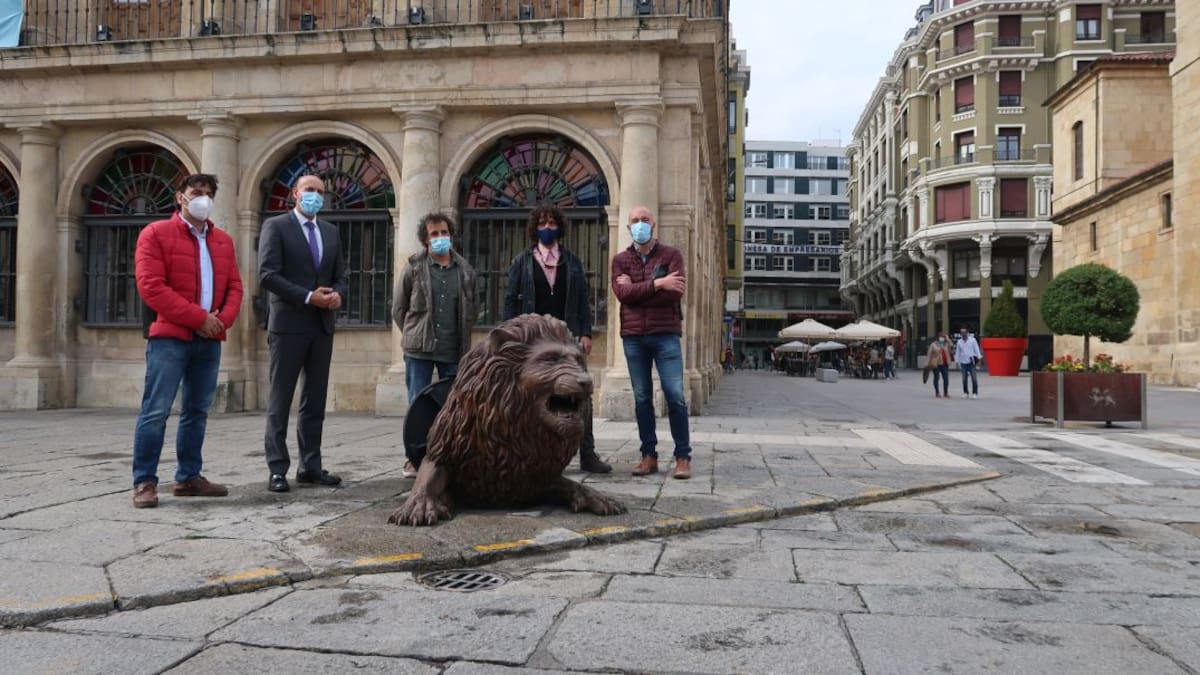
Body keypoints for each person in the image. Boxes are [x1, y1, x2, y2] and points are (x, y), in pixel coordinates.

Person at [130, 173, 243, 508]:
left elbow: (235, 287)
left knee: (197, 410)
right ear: (180, 197)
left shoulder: (222, 241)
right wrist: (199, 319)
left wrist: (221, 321)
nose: (203, 199)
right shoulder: (156, 234)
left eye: (209, 194)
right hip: (170, 338)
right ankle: (145, 482)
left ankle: (189, 476)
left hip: (209, 340)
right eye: (196, 193)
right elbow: (151, 286)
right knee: (156, 410)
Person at [258, 174, 349, 493]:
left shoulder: (330, 232)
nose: (315, 196)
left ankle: (310, 465)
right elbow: (267, 275)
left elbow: (341, 275)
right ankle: (277, 468)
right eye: (310, 190)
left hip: (322, 326)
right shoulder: (277, 226)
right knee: (280, 399)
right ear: (295, 194)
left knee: (315, 400)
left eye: (321, 192)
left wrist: (337, 294)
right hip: (288, 325)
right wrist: (309, 296)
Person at [503, 204, 608, 473]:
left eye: (551, 223)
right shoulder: (521, 262)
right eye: (542, 223)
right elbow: (510, 300)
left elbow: (583, 300)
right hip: (533, 340)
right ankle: (528, 453)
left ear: (559, 227)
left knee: (580, 394)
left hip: (567, 337)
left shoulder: (572, 262)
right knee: (529, 395)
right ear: (534, 228)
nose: (547, 228)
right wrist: (510, 334)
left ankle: (588, 453)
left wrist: (585, 332)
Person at [612, 205, 693, 479]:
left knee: (675, 395)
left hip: (666, 334)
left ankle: (683, 456)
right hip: (634, 338)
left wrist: (638, 289)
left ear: (654, 223)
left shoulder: (672, 255)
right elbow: (622, 294)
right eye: (634, 221)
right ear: (627, 227)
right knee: (642, 397)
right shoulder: (620, 260)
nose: (640, 224)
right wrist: (659, 284)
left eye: (644, 219)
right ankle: (648, 455)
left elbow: (675, 293)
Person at [395, 212, 478, 477]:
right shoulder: (414, 267)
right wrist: (414, 334)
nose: (440, 238)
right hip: (419, 349)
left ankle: (450, 455)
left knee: (453, 405)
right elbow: (399, 308)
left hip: (453, 348)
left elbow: (472, 309)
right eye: (434, 234)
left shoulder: (465, 271)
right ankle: (414, 458)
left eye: (444, 232)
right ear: (425, 240)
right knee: (417, 403)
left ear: (451, 236)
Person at [955, 325, 983, 399]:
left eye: (964, 332)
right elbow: (957, 352)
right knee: (964, 379)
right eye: (961, 332)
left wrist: (979, 360)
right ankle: (965, 392)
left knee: (974, 378)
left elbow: (977, 350)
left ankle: (975, 393)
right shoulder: (959, 342)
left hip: (971, 362)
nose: (963, 334)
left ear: (967, 332)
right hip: (963, 362)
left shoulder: (972, 340)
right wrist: (957, 362)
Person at [926, 333, 952, 398]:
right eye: (941, 337)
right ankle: (937, 392)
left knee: (946, 379)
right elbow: (929, 354)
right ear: (938, 337)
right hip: (936, 363)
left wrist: (948, 339)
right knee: (936, 378)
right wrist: (927, 362)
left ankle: (945, 392)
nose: (942, 338)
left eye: (943, 337)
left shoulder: (946, 344)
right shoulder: (933, 344)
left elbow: (951, 345)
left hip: (944, 364)